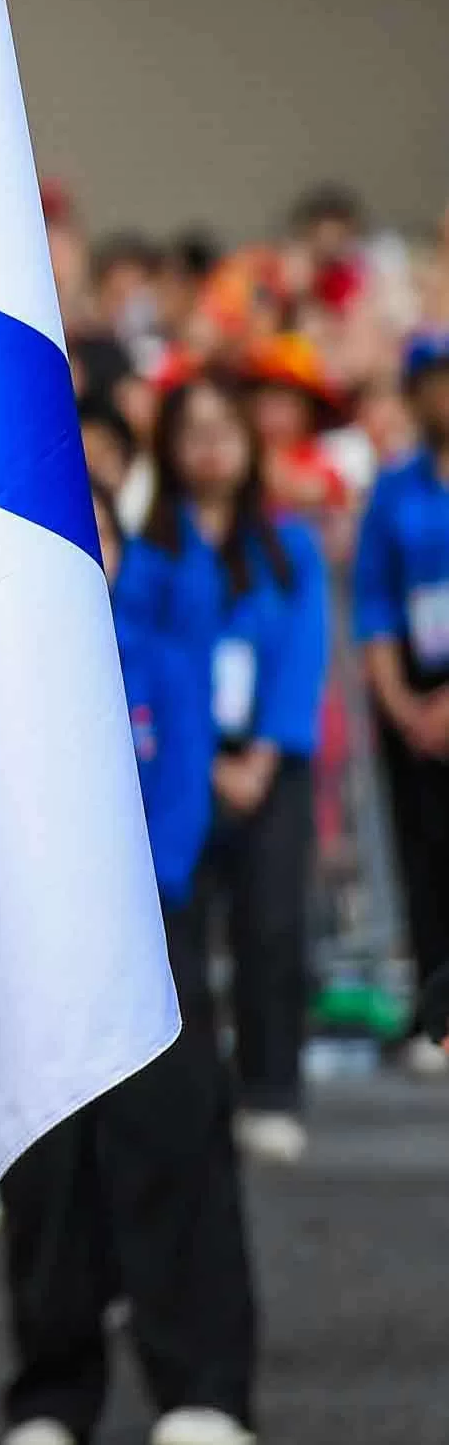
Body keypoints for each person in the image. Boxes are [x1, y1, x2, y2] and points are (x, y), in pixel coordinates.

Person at [0, 477, 260, 1445]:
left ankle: (203, 1391)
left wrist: (110, 901)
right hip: (34, 950)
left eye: (96, 531)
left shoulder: (158, 657)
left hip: (148, 937)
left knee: (175, 1159)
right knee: (46, 1178)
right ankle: (51, 1396)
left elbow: (182, 812)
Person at [124, 372, 326, 1167]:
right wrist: (207, 763)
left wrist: (264, 756)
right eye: (193, 432)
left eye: (225, 430)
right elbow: (140, 664)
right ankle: (189, 1092)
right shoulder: (149, 555)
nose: (210, 448)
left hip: (272, 767)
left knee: (272, 927)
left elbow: (303, 658)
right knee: (180, 930)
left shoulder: (289, 546)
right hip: (181, 771)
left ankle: (271, 1090)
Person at [355, 331, 449, 1072]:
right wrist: (400, 702)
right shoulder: (395, 485)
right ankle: (433, 1011)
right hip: (413, 689)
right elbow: (375, 599)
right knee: (421, 849)